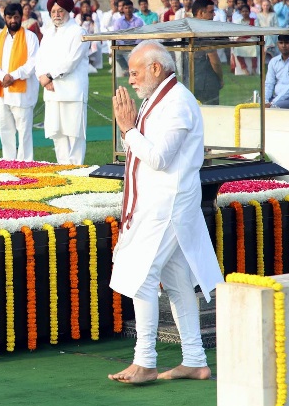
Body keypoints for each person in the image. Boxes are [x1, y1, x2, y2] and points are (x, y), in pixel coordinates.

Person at [107, 39, 222, 384]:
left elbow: (159, 158)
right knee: (176, 282)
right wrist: (131, 127)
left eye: (136, 72)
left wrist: (127, 129)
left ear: (156, 68)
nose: (131, 79)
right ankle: (195, 360)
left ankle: (145, 361)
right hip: (159, 204)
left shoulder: (177, 103)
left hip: (169, 205)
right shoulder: (158, 99)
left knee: (141, 277)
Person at [34, 0, 90, 165]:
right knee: (56, 132)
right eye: (53, 11)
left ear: (68, 11)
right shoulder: (48, 34)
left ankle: (76, 169)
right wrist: (42, 77)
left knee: (74, 133)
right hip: (52, 91)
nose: (57, 14)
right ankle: (63, 166)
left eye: (60, 11)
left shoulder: (78, 32)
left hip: (72, 91)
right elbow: (39, 59)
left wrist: (50, 76)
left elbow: (71, 61)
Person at [0, 3, 40, 161]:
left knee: (24, 131)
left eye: (16, 17)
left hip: (22, 93)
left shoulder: (30, 37)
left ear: (21, 17)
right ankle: (8, 161)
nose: (13, 20)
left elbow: (33, 63)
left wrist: (13, 76)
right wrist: (3, 76)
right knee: (5, 130)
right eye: (9, 17)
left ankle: (25, 163)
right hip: (1, 91)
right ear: (4, 18)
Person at [191, 0, 223, 104]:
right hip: (207, 83)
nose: (214, 15)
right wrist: (220, 78)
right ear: (200, 13)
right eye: (211, 12)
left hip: (190, 81)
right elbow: (214, 60)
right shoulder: (203, 32)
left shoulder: (188, 29)